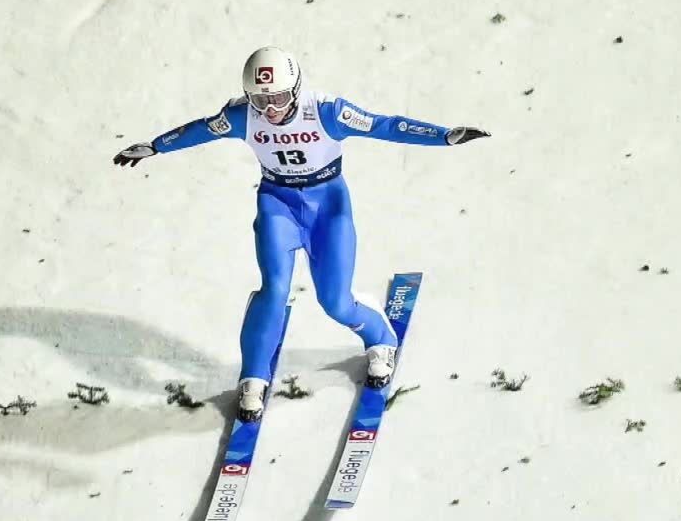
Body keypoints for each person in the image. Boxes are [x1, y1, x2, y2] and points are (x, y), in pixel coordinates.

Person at [113, 46, 489, 423]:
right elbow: (200, 130)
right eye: (260, 100)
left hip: (328, 207)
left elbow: (383, 125)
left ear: (295, 89)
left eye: (277, 97)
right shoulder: (243, 116)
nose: (271, 109)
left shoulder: (326, 111)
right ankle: (254, 377)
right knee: (275, 288)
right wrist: (154, 147)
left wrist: (444, 136)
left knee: (336, 302)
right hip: (278, 205)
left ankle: (381, 339)